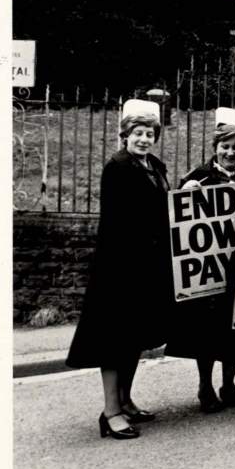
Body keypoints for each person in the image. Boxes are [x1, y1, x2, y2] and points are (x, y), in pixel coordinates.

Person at [66, 100, 171, 440]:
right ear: (125, 135)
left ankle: (125, 401)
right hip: (120, 268)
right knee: (114, 340)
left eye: (149, 133)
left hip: (147, 267)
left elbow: (164, 207)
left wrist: (187, 195)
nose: (144, 139)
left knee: (134, 337)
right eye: (138, 133)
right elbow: (118, 222)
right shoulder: (118, 166)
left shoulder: (154, 165)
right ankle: (110, 412)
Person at [166, 107, 235, 413]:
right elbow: (178, 221)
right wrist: (184, 194)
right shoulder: (197, 177)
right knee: (207, 329)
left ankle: (229, 384)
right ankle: (205, 386)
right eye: (224, 147)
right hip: (208, 267)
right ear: (214, 149)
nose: (230, 153)